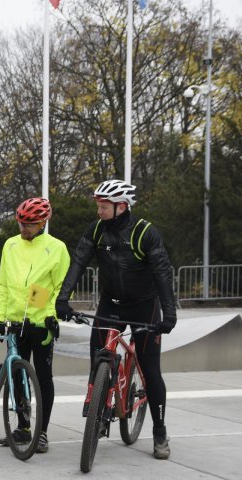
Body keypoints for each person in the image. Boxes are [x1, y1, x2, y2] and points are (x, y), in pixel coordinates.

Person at [55, 179, 176, 459]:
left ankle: (159, 431)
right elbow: (78, 263)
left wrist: (169, 314)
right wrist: (63, 298)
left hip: (144, 306)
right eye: (98, 205)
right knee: (99, 355)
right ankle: (98, 405)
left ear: (122, 206)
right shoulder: (96, 230)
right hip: (111, 303)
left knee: (150, 369)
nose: (99, 211)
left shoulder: (145, 232)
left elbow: (162, 273)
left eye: (103, 206)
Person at [0, 198, 70, 453]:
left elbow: (60, 288)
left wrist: (51, 315)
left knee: (43, 377)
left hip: (41, 323)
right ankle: (24, 427)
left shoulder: (57, 248)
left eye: (30, 224)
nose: (24, 229)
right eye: (21, 223)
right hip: (15, 322)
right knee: (17, 375)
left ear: (43, 223)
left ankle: (42, 432)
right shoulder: (10, 245)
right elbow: (3, 286)